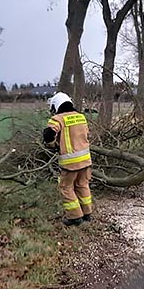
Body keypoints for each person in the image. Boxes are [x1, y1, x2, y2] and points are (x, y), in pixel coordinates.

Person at [43, 92, 93, 226]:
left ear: (56, 105)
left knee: (66, 187)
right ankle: (87, 213)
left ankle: (75, 217)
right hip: (86, 161)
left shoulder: (58, 119)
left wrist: (53, 145)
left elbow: (48, 135)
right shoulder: (81, 117)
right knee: (82, 185)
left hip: (70, 163)